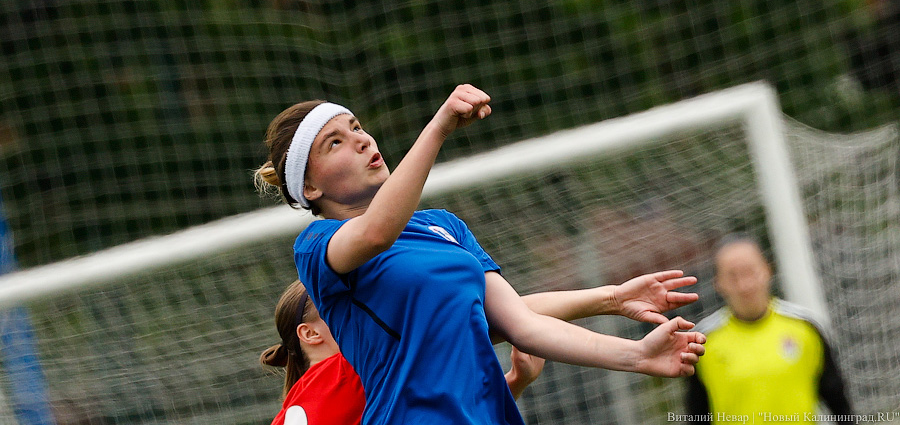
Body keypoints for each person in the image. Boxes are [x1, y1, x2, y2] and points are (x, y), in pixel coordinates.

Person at [254, 84, 705, 425]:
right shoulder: (316, 246)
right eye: (334, 142)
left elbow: (521, 324)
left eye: (356, 127)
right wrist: (437, 128)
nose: (362, 140)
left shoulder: (444, 227)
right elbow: (375, 233)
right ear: (309, 188)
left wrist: (635, 352)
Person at [262, 267, 703, 425]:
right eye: (339, 308)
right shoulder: (340, 373)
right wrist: (608, 300)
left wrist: (513, 384)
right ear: (310, 335)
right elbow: (493, 319)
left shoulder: (338, 388)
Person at [685, 235, 853, 422]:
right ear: (718, 283)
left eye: (750, 272)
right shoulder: (702, 341)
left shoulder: (806, 327)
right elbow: (697, 416)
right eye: (732, 276)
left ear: (767, 269)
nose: (744, 285)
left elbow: (839, 402)